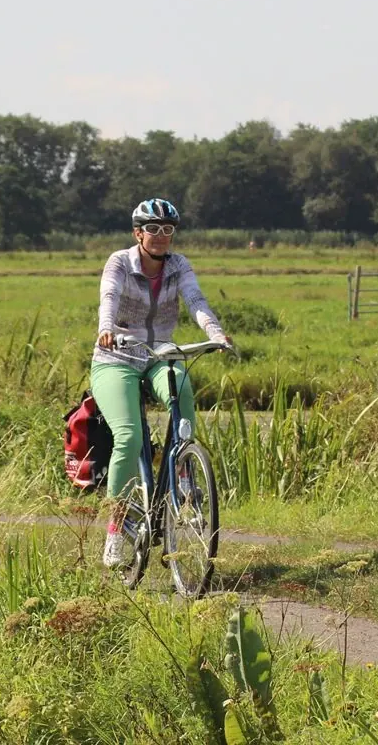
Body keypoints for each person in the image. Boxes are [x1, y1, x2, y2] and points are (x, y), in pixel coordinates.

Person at [92, 198, 232, 568]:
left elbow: (195, 298)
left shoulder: (178, 265)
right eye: (152, 229)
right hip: (117, 356)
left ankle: (184, 476)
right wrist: (106, 329)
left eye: (167, 230)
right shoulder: (119, 261)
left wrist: (215, 331)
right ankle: (116, 529)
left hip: (159, 353)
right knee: (129, 436)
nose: (160, 236)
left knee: (182, 391)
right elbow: (108, 297)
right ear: (138, 233)